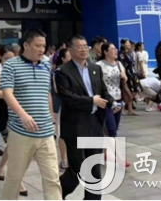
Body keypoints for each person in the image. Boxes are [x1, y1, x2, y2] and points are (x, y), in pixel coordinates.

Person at [0, 29, 62, 200]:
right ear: (26, 45)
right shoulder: (11, 65)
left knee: (53, 179)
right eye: (37, 45)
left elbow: (47, 93)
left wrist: (52, 118)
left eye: (43, 46)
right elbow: (7, 93)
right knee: (14, 179)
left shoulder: (46, 66)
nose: (42, 49)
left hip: (46, 133)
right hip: (21, 133)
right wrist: (23, 115)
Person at [58, 36, 113, 200]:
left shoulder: (95, 68)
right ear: (70, 50)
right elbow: (67, 97)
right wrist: (91, 101)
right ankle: (56, 193)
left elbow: (103, 90)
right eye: (79, 46)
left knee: (94, 166)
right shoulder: (63, 71)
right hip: (75, 124)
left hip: (94, 122)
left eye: (85, 46)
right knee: (78, 168)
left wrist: (112, 102)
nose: (83, 49)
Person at [0, 46, 28, 197]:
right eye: (6, 58)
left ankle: (1, 165)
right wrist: (9, 93)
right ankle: (19, 181)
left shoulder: (18, 69)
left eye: (12, 58)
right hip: (2, 109)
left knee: (13, 144)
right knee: (13, 145)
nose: (9, 61)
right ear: (0, 58)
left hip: (17, 108)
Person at [97, 42, 130, 168]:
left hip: (119, 99)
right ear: (105, 52)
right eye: (112, 49)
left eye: (115, 49)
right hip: (106, 102)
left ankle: (107, 153)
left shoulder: (119, 64)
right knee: (111, 130)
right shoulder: (98, 66)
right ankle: (120, 158)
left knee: (114, 128)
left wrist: (124, 77)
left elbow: (125, 79)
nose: (115, 51)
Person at [52, 48, 71, 170]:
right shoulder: (58, 72)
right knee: (63, 133)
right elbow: (57, 90)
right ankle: (64, 159)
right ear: (63, 59)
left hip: (75, 105)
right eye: (69, 56)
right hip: (62, 105)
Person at [118, 39, 139, 116]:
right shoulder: (121, 54)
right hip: (126, 73)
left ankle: (130, 109)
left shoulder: (130, 53)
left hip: (132, 74)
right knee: (125, 91)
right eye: (127, 43)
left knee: (133, 90)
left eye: (129, 43)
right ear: (123, 45)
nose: (129, 45)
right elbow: (122, 65)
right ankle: (122, 108)